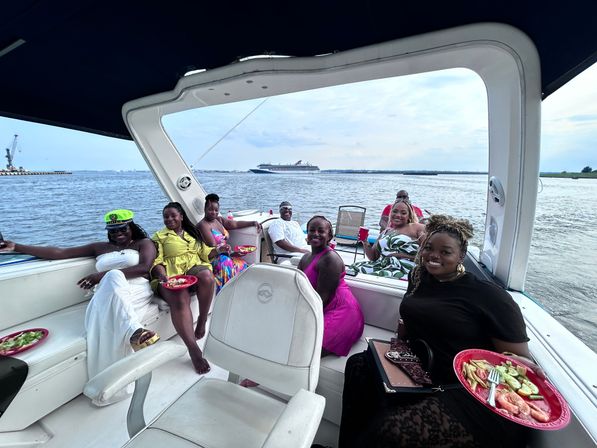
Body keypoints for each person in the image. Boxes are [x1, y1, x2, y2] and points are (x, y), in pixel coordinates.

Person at [339, 215, 541, 448]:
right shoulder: (418, 276)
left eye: (445, 252)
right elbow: (408, 318)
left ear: (461, 256)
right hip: (422, 366)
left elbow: (517, 358)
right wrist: (396, 346)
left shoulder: (489, 296)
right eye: (429, 248)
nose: (434, 256)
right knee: (357, 366)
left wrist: (522, 364)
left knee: (391, 431)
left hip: (468, 389)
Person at [0, 209, 159, 406]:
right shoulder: (99, 247)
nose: (118, 233)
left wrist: (100, 276)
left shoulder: (144, 243)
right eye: (113, 230)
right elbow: (61, 252)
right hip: (106, 294)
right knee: (112, 280)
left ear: (131, 227)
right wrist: (17, 246)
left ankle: (131, 332)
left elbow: (144, 268)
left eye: (122, 228)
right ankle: (133, 331)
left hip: (136, 291)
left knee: (113, 276)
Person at [151, 202, 215, 374]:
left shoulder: (192, 232)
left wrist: (220, 249)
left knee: (207, 276)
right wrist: (162, 275)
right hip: (170, 276)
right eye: (166, 216)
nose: (169, 219)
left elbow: (205, 254)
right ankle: (193, 349)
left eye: (173, 215)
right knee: (179, 295)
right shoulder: (159, 237)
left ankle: (201, 319)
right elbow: (156, 262)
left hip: (192, 271)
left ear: (181, 216)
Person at [298, 215, 364, 357]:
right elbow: (296, 287)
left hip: (341, 312)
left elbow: (322, 299)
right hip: (320, 306)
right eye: (311, 230)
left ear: (329, 236)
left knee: (306, 350)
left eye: (321, 231)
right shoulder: (304, 258)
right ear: (307, 234)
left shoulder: (330, 259)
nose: (315, 233)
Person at [196, 193, 261, 292]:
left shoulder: (219, 220)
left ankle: (239, 293)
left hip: (225, 254)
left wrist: (253, 223)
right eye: (210, 209)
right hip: (213, 258)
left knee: (245, 265)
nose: (213, 212)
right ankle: (224, 294)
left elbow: (234, 224)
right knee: (227, 264)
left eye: (216, 210)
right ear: (204, 209)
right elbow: (214, 246)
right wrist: (232, 253)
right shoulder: (203, 225)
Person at [351, 200, 425, 279]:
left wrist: (400, 255)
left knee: (374, 276)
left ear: (409, 216)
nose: (398, 215)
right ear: (390, 213)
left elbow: (429, 252)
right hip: (382, 265)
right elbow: (373, 257)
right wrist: (365, 242)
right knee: (353, 269)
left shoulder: (416, 228)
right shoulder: (385, 232)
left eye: (403, 213)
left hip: (403, 268)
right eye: (395, 211)